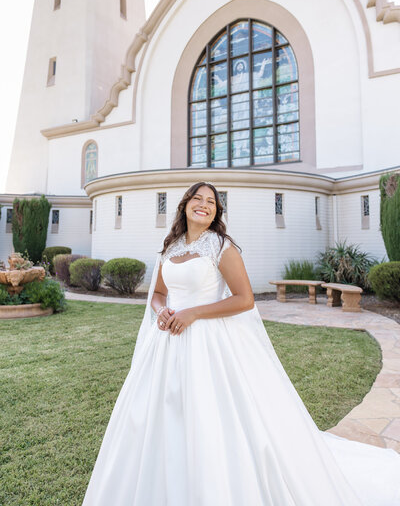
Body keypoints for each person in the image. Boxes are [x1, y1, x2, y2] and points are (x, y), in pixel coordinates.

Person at [82, 182, 400, 506]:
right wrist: (160, 310)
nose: (204, 205)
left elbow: (245, 299)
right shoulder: (171, 247)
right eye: (198, 199)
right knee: (156, 418)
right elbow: (159, 293)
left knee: (213, 419)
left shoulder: (222, 247)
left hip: (210, 343)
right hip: (165, 346)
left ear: (216, 212)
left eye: (212, 202)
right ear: (185, 205)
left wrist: (194, 313)